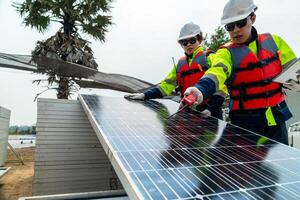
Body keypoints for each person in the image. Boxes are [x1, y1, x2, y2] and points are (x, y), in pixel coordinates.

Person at [183, 0, 298, 145]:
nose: (236, 30)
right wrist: (199, 89)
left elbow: (294, 70)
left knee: (280, 163)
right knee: (241, 166)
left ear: (253, 18)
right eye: (230, 27)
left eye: (241, 23)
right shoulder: (225, 53)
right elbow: (217, 71)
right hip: (244, 124)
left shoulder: (275, 42)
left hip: (276, 119)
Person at [124, 22, 225, 119]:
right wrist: (145, 95)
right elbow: (165, 86)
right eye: (185, 42)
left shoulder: (210, 58)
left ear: (199, 39)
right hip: (187, 113)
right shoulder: (180, 65)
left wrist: (212, 109)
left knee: (214, 137)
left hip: (210, 113)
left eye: (192, 40)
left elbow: (221, 85)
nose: (188, 44)